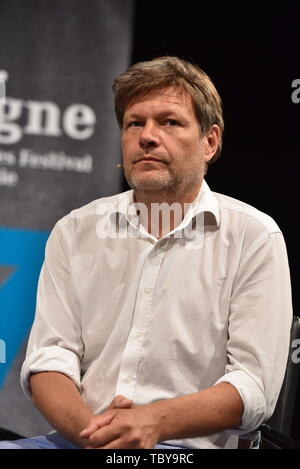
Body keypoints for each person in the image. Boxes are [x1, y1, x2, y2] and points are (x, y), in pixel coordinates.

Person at [0, 56, 293, 449]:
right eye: (135, 123)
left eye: (169, 122)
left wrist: (152, 423)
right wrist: (95, 436)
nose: (147, 136)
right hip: (81, 439)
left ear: (210, 141)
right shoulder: (75, 230)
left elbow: (253, 386)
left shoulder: (253, 236)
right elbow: (50, 359)